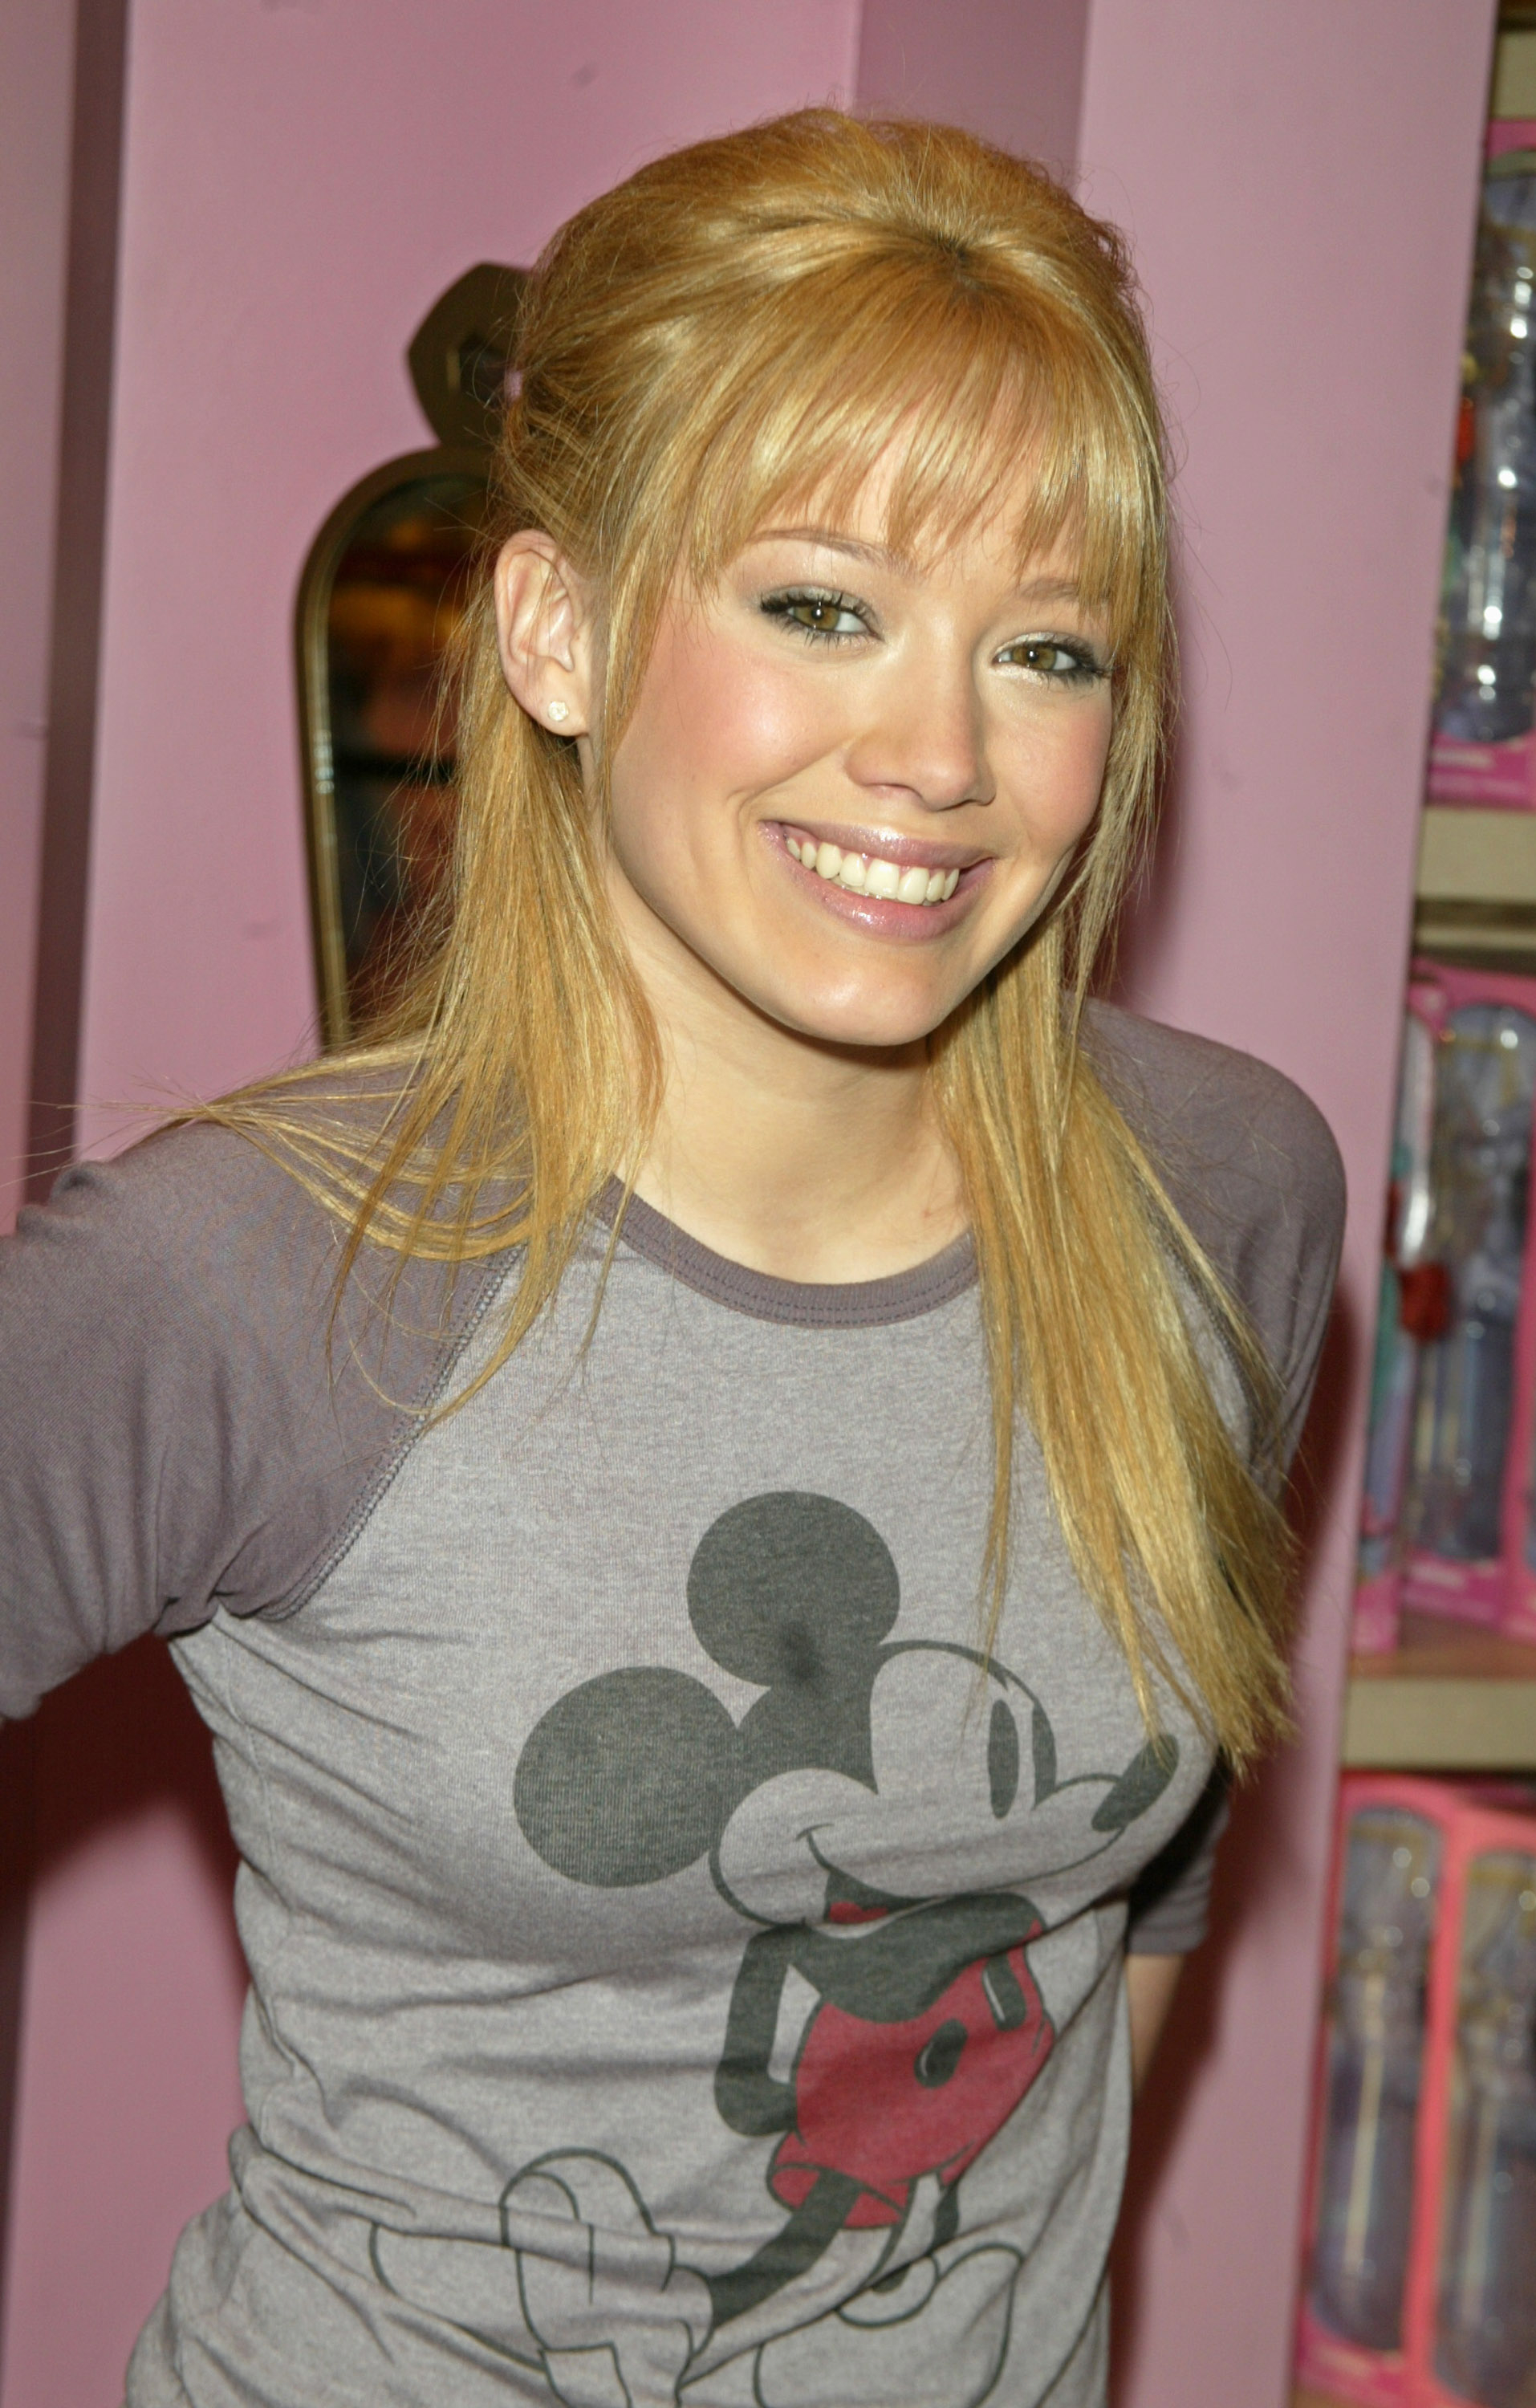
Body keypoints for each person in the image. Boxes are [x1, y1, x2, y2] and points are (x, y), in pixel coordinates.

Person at [0, 109, 1343, 2408]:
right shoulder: (241, 1282)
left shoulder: (1222, 1198)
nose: (937, 756)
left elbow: (1127, 1924)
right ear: (564, 627)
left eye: (1047, 649)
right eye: (820, 604)